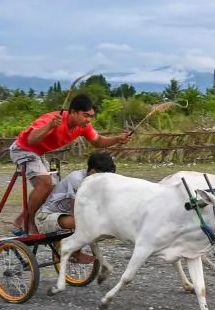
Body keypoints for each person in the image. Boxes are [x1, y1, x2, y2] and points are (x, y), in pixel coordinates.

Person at [8, 93, 131, 235]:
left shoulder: (83, 126)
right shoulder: (52, 119)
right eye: (86, 115)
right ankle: (28, 223)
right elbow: (31, 140)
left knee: (52, 188)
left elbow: (97, 141)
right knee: (45, 183)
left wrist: (117, 139)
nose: (88, 119)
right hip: (23, 149)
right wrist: (50, 126)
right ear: (73, 112)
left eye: (91, 116)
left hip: (38, 154)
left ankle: (21, 219)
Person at [33, 151, 117, 262]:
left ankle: (70, 247)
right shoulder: (77, 179)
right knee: (83, 222)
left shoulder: (97, 183)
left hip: (66, 217)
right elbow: (76, 210)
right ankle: (73, 252)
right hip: (45, 217)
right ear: (92, 172)